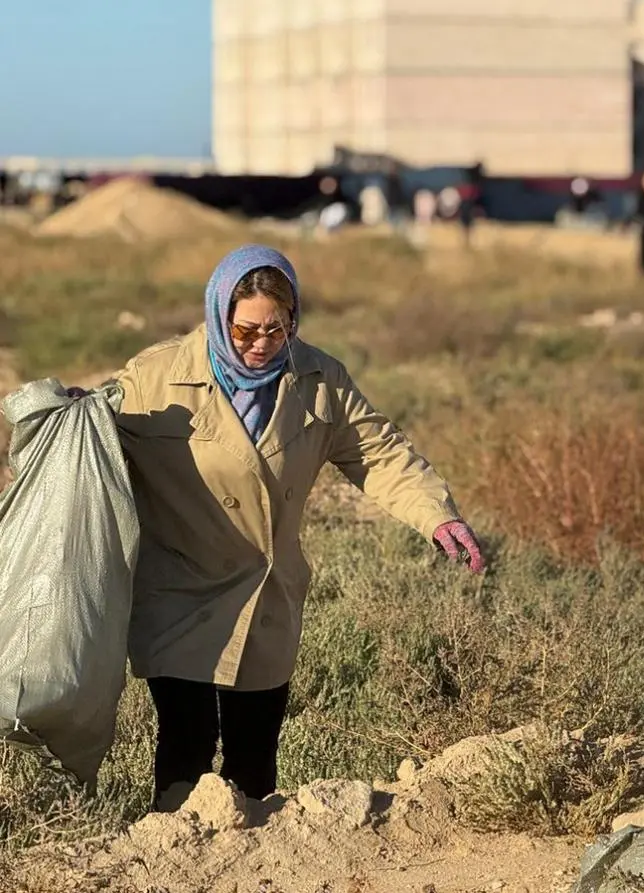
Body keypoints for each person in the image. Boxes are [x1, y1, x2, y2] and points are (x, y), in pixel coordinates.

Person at [71, 244, 485, 809]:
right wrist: (65, 415)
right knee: (187, 743)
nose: (262, 345)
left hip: (268, 592)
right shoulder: (155, 376)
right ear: (219, 315)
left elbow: (380, 454)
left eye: (277, 329)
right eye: (245, 332)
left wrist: (438, 515)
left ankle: (253, 862)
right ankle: (176, 857)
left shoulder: (319, 379)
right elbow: (87, 440)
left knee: (255, 752)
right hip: (180, 590)